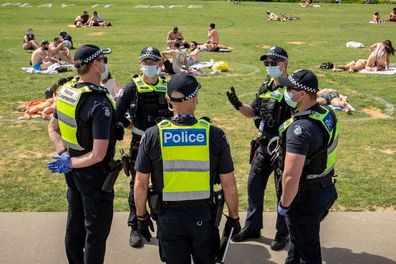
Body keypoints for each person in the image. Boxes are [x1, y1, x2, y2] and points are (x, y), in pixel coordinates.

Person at [134, 72, 241, 263]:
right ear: (194, 99)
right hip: (202, 217)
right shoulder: (214, 135)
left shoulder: (152, 135)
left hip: (168, 218)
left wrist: (141, 216)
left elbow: (141, 184)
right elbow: (229, 184)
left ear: (168, 100)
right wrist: (234, 217)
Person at [47, 44, 119, 263]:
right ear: (96, 64)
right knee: (95, 235)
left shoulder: (68, 91)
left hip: (74, 172)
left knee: (75, 226)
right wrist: (70, 162)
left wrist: (64, 154)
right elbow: (98, 154)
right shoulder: (99, 103)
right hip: (94, 176)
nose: (105, 65)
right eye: (103, 61)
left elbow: (53, 127)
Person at [226, 46, 292, 250]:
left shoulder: (292, 88)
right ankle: (253, 227)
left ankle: (283, 233)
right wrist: (238, 105)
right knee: (254, 186)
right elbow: (252, 112)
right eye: (267, 63)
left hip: (284, 147)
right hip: (264, 145)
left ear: (285, 63)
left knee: (283, 191)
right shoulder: (266, 85)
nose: (270, 66)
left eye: (274, 62)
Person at [277, 69, 339, 263]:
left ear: (302, 94)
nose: (285, 91)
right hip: (325, 189)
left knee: (309, 254)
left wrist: (285, 205)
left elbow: (291, 176)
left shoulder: (299, 129)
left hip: (304, 199)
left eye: (289, 88)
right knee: (299, 243)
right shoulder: (325, 113)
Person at [115, 47, 172, 248]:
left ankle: (164, 225)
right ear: (141, 63)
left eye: (152, 62)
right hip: (140, 141)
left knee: (164, 184)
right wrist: (133, 128)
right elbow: (118, 113)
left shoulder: (167, 85)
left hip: (165, 143)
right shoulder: (133, 87)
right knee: (137, 185)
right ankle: (135, 226)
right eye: (145, 62)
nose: (149, 66)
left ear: (159, 64)